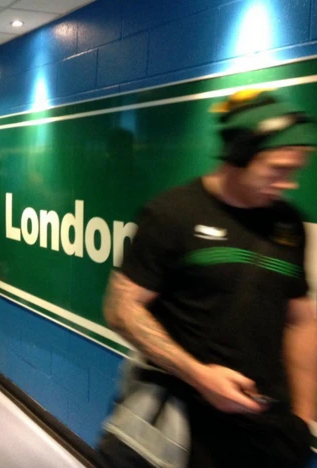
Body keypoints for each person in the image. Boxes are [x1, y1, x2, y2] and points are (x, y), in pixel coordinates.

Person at [99, 89, 317, 467]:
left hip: (267, 432)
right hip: (185, 430)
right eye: (277, 170)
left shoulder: (289, 224)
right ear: (239, 156)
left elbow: (299, 321)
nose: (289, 183)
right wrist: (200, 376)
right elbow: (121, 309)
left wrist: (302, 416)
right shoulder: (172, 215)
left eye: (294, 171)